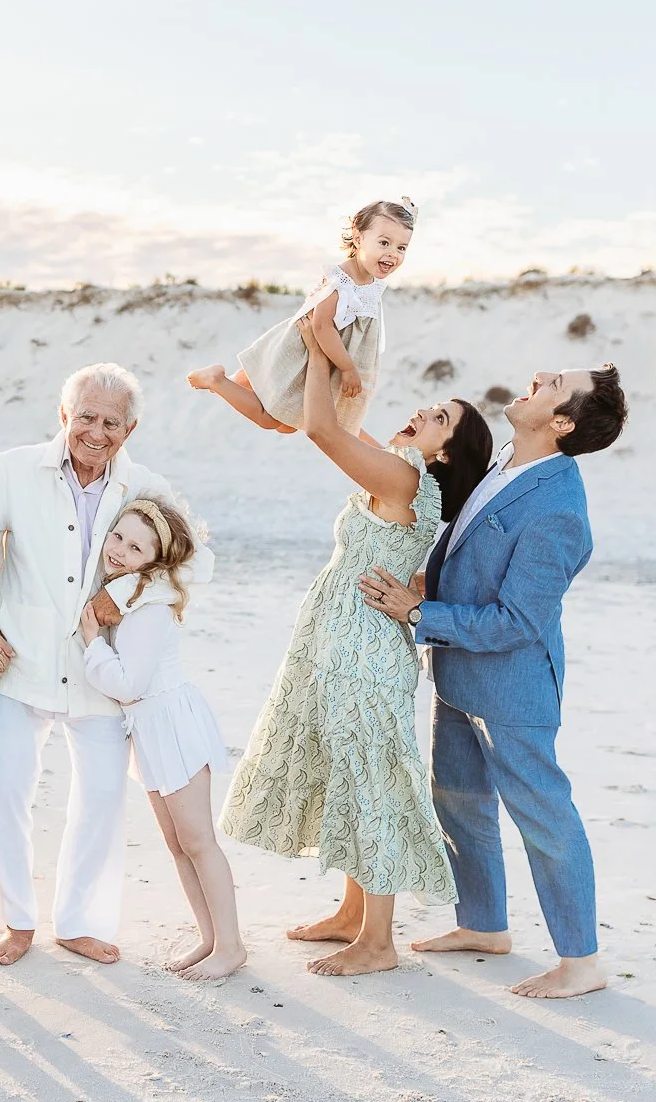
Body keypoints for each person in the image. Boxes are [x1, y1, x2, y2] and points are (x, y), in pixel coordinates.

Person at [211, 313, 494, 972]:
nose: (424, 411)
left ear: (446, 451)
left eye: (440, 418)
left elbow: (320, 429)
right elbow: (319, 419)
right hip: (339, 644)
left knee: (374, 785)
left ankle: (379, 942)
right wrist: (320, 355)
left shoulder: (408, 483)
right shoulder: (397, 468)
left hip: (366, 655)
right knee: (349, 774)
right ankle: (350, 914)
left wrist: (317, 349)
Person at [359, 364, 628, 999]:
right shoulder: (508, 460)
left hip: (512, 687)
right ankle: (483, 926)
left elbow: (518, 620)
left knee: (542, 813)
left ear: (561, 423)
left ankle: (581, 961)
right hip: (456, 672)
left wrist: (417, 611)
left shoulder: (560, 507)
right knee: (455, 797)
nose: (540, 375)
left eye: (556, 382)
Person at [0, 362, 206, 966]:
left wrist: (121, 595)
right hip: (20, 663)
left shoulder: (147, 485)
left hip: (102, 673)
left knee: (99, 801)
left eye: (112, 423)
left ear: (131, 428)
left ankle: (76, 923)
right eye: (87, 418)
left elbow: (194, 563)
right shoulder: (13, 469)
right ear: (63, 416)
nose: (97, 432)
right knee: (9, 794)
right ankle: (17, 922)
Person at [76, 497, 241, 981]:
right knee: (176, 843)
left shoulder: (150, 604)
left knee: (198, 840)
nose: (120, 551)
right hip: (149, 729)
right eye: (118, 537)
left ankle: (231, 945)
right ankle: (210, 938)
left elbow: (130, 684)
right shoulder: (131, 593)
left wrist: (90, 644)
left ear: (154, 560)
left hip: (173, 723)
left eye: (136, 547)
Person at [187, 199, 416, 437]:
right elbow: (321, 326)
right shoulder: (341, 282)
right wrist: (348, 368)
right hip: (305, 353)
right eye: (384, 243)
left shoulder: (370, 282)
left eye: (401, 248)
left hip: (327, 358)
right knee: (270, 419)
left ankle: (230, 385)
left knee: (288, 425)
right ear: (359, 239)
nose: (392, 254)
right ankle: (216, 380)